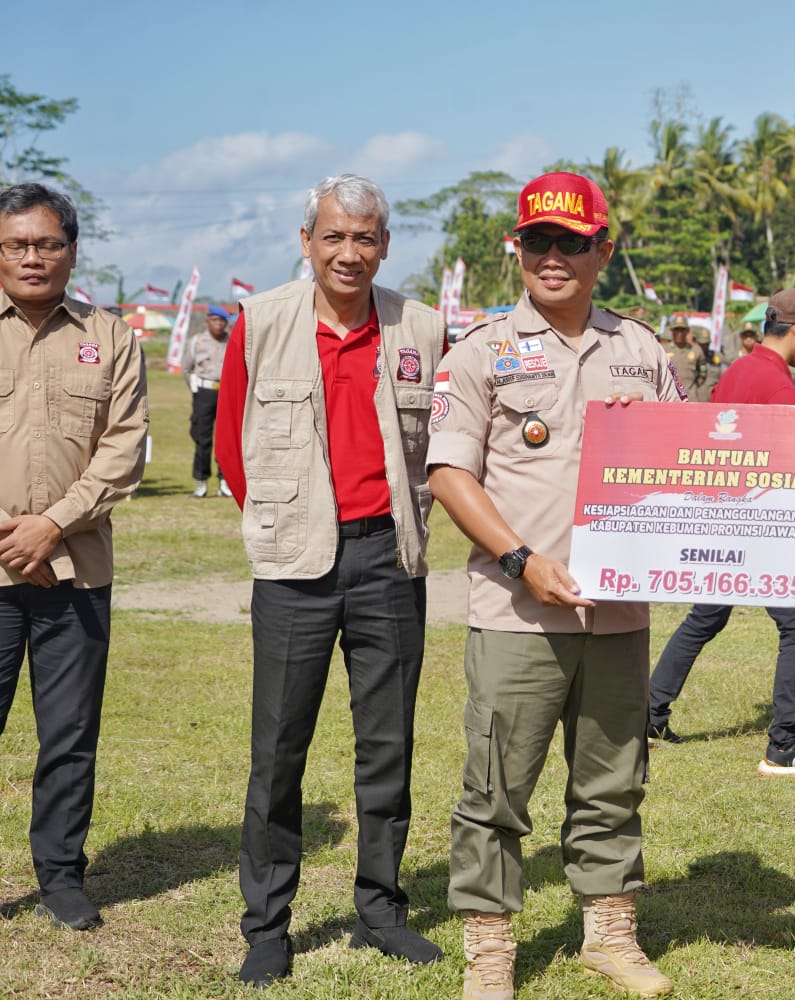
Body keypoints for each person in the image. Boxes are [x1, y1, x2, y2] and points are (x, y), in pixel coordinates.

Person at [429, 170, 680, 1000]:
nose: (553, 256)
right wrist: (521, 560)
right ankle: (490, 949)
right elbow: (450, 475)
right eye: (537, 240)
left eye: (572, 241)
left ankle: (610, 934)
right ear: (519, 249)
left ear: (603, 249)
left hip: (618, 613)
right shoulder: (481, 351)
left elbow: (692, 464)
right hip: (517, 613)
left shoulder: (644, 351)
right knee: (497, 787)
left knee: (613, 781)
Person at [215, 174, 446, 987]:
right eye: (334, 237)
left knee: (388, 745)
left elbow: (447, 445)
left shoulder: (420, 325)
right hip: (296, 566)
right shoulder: (263, 321)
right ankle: (268, 923)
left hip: (390, 560)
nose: (350, 253)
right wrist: (288, 522)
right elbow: (233, 449)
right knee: (278, 749)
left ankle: (381, 909)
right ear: (307, 242)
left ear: (385, 245)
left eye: (366, 238)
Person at [0, 182, 148, 932]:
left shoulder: (111, 335)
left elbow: (125, 448)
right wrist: (10, 532)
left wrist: (51, 524)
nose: (33, 256)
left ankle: (61, 877)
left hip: (77, 575)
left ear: (71, 251)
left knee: (68, 733)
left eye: (47, 243)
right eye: (18, 244)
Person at [647, 288, 795, 777]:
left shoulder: (738, 368)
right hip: (758, 526)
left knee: (704, 619)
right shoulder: (779, 384)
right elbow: (787, 470)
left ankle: (648, 715)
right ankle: (785, 746)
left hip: (721, 518)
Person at [185, 304, 232, 496]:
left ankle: (225, 482)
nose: (219, 324)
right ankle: (201, 482)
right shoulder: (197, 341)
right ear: (207, 322)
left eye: (222, 321)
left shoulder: (232, 341)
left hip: (226, 394)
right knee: (202, 438)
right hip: (204, 393)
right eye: (215, 320)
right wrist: (196, 389)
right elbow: (187, 368)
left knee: (227, 439)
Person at [666, 318, 703, 399]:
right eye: (676, 330)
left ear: (687, 331)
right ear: (671, 331)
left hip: (691, 397)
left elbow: (703, 373)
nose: (679, 333)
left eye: (682, 330)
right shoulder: (664, 350)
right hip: (670, 398)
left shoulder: (696, 350)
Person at [691, 326, 721, 402]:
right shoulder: (691, 358)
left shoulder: (715, 356)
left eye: (707, 344)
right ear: (695, 341)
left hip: (713, 400)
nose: (704, 347)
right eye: (701, 344)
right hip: (696, 400)